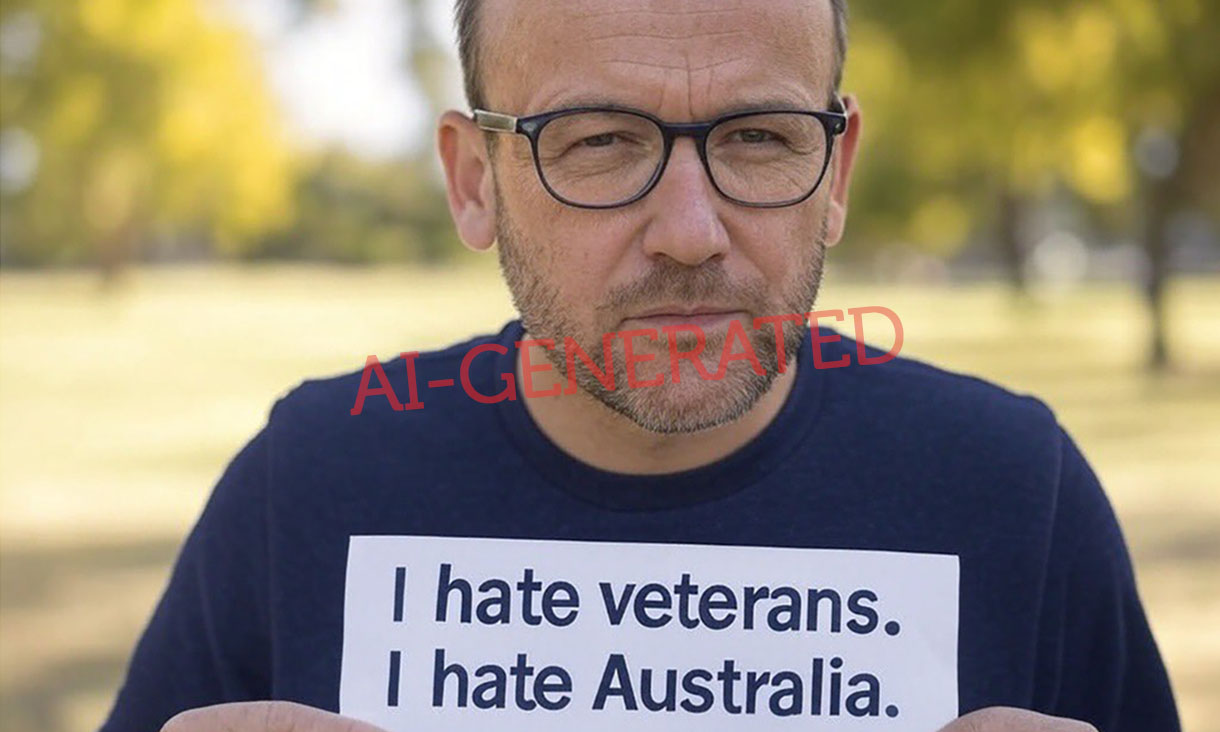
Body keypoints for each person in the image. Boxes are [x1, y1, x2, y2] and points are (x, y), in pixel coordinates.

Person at [101, 1, 1181, 731]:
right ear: (473, 181)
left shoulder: (1012, 489)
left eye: (759, 137)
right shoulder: (310, 483)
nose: (690, 233)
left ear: (836, 169)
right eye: (599, 142)